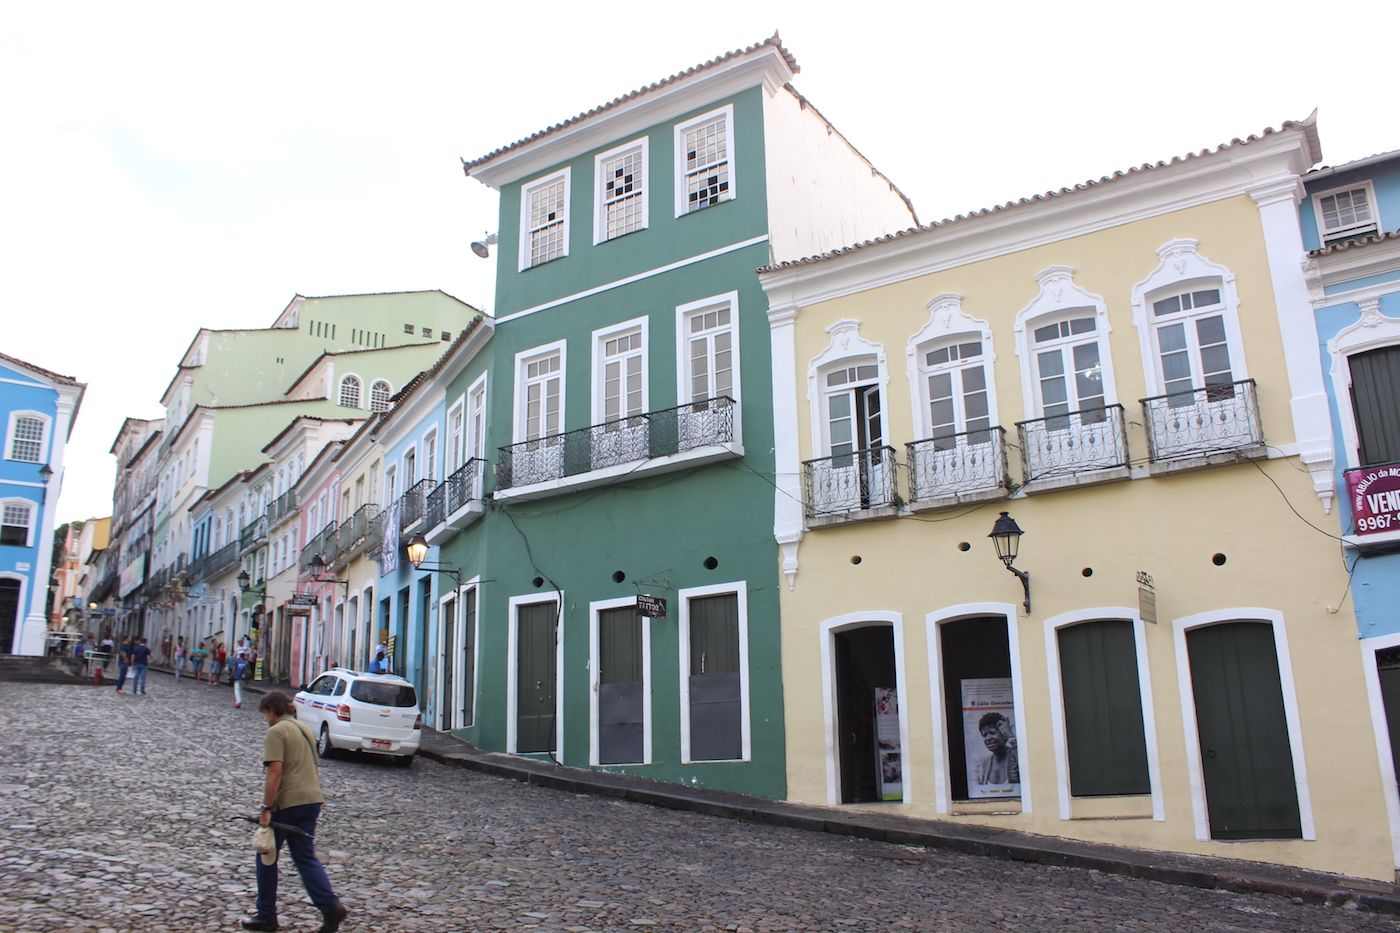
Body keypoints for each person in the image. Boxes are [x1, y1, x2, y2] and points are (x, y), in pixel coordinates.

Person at [242, 692, 348, 933]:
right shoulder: (306, 730)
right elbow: (314, 767)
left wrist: (266, 808)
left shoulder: (276, 732)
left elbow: (275, 772)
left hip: (287, 803)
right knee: (305, 858)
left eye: (266, 714)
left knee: (266, 856)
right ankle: (330, 906)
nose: (266, 719)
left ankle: (266, 915)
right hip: (311, 800)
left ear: (272, 711)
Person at [973, 712, 1020, 786]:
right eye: (984, 735)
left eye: (992, 733)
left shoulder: (1017, 756)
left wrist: (1010, 735)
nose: (988, 738)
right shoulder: (982, 766)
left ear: (1004, 733)